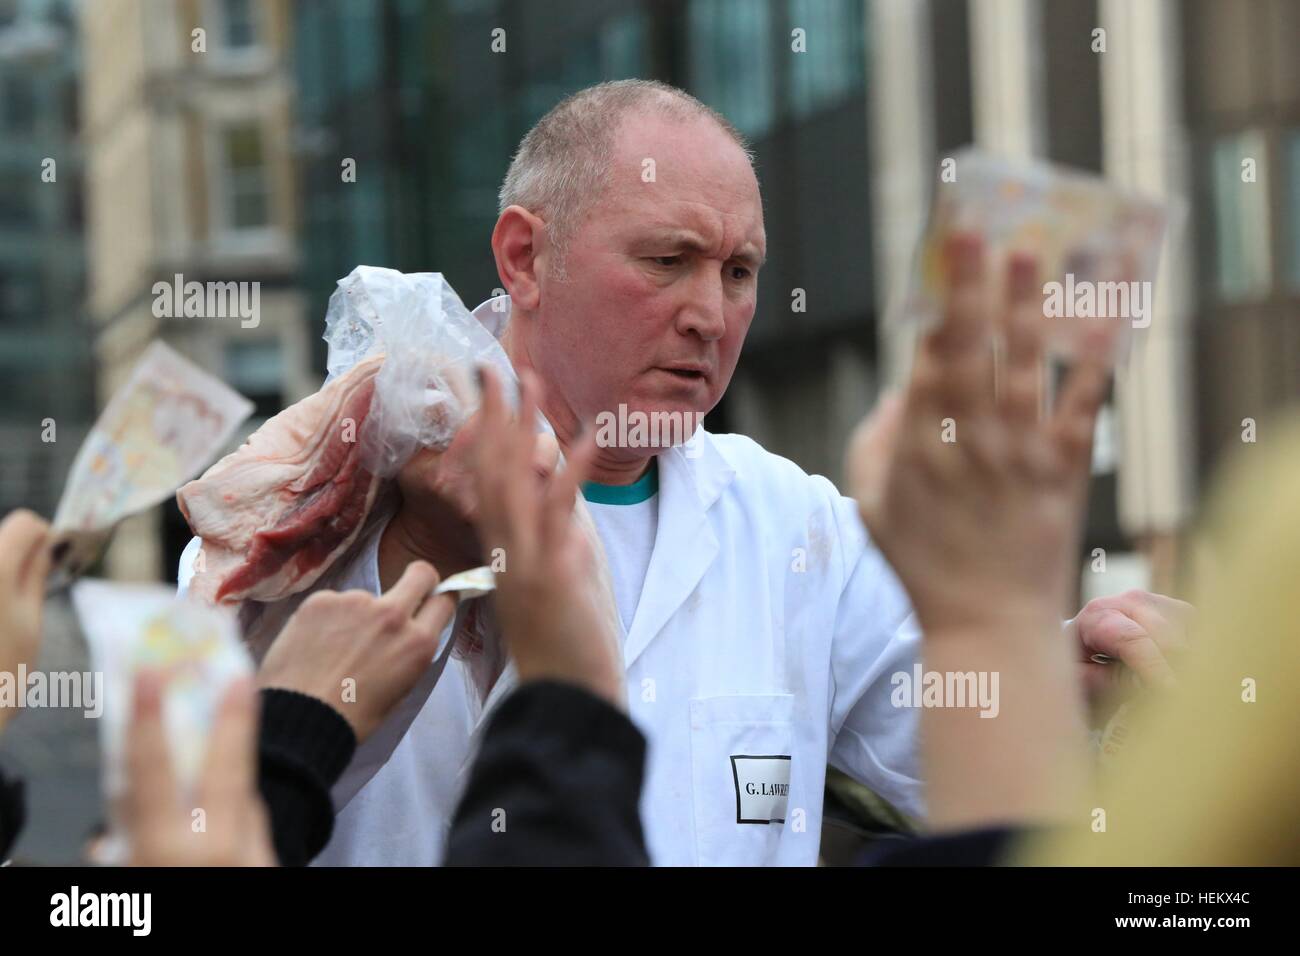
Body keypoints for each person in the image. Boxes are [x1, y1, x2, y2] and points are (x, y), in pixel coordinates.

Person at [179, 79, 1190, 867]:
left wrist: (1079, 680)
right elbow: (206, 815)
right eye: (668, 260)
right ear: (525, 257)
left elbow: (960, 749)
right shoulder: (328, 494)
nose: (711, 312)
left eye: (739, 271)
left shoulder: (792, 523)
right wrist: (412, 552)